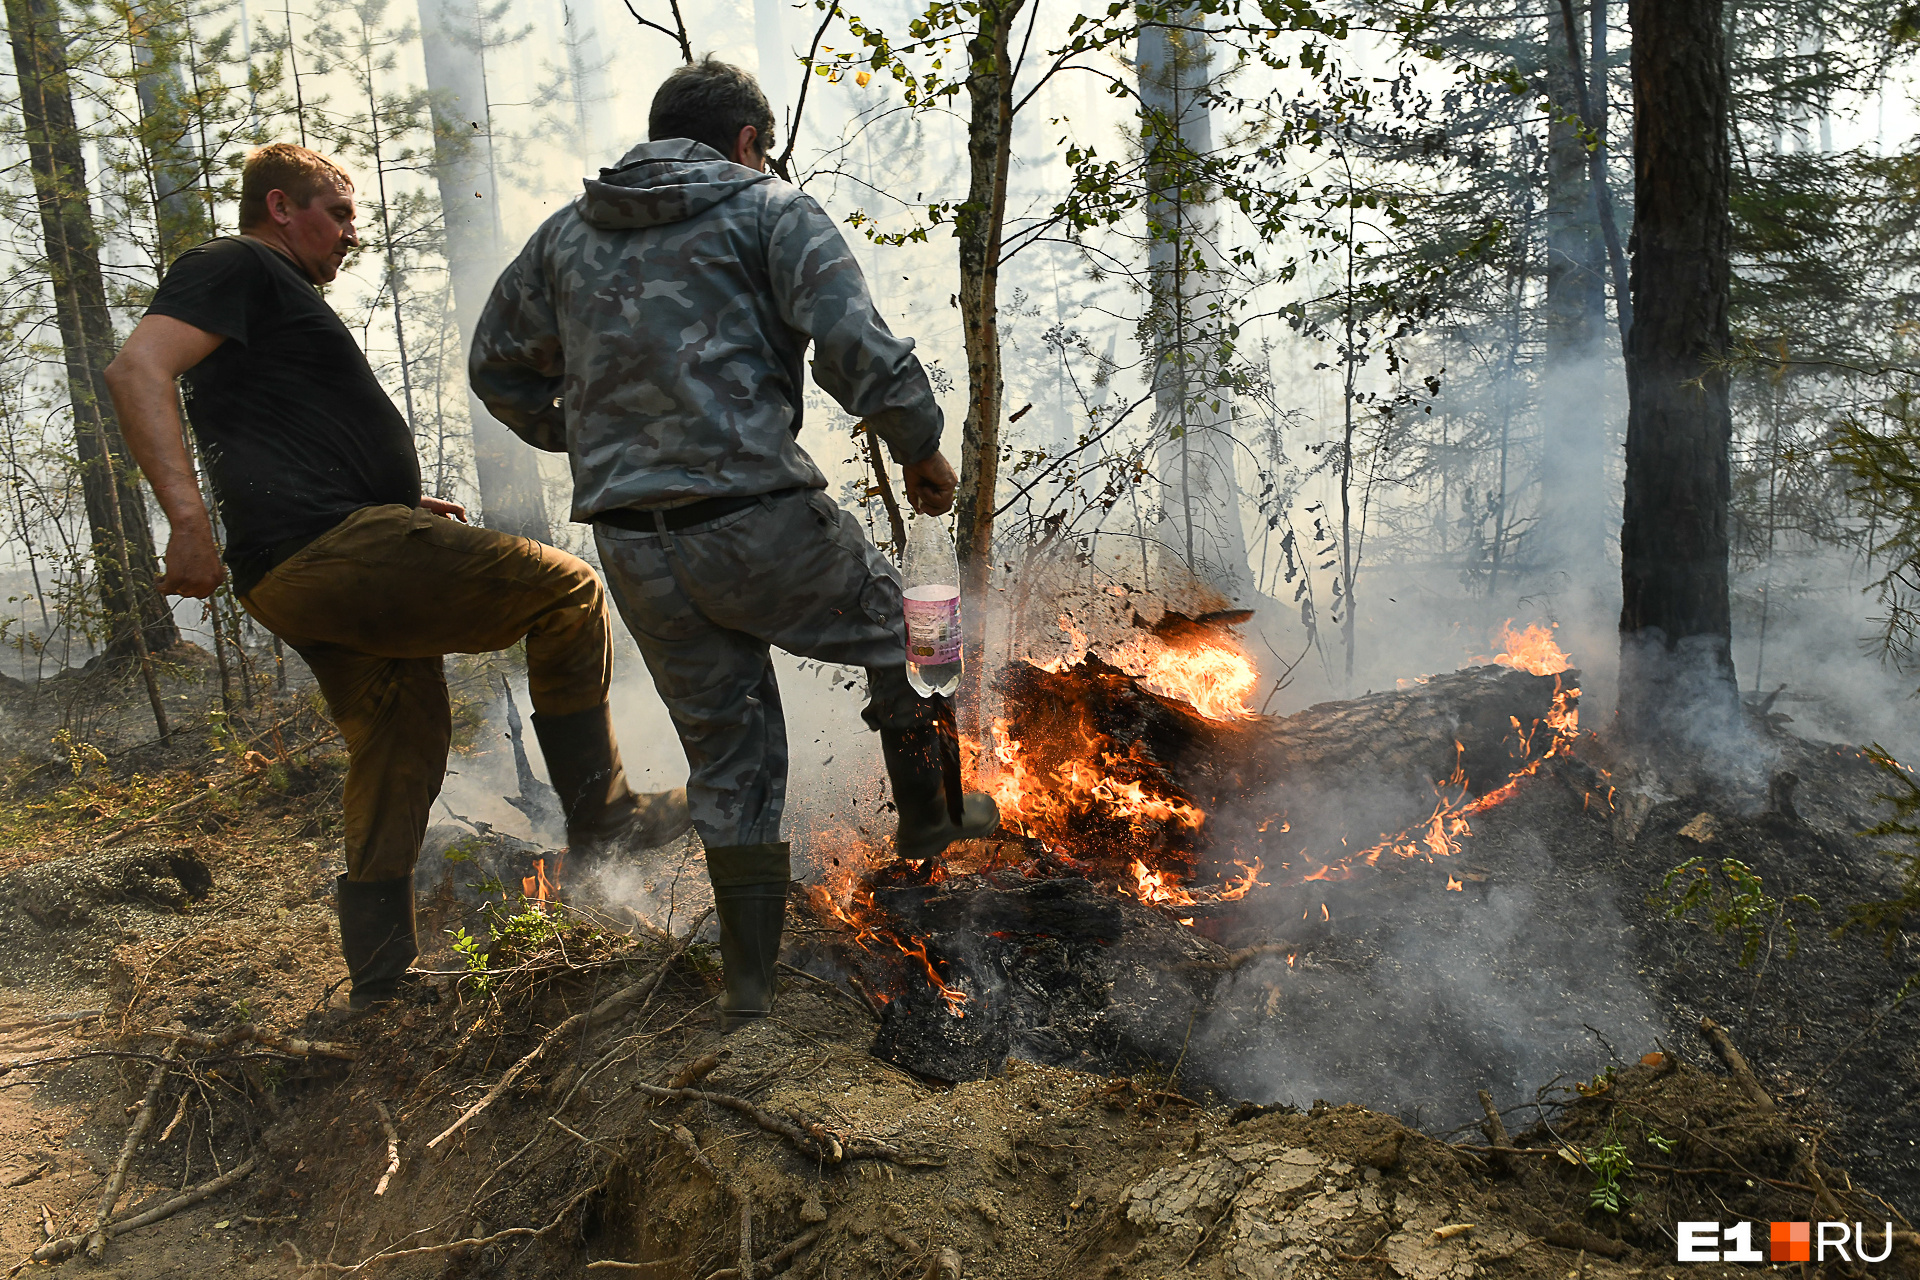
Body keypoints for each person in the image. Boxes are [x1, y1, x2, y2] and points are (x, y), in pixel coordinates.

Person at [471, 59, 999, 1028]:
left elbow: (495, 368)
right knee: (921, 621)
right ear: (750, 140)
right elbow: (854, 345)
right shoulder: (769, 210)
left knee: (731, 757)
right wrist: (921, 445)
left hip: (633, 546)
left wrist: (592, 435)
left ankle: (750, 983)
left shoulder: (564, 238)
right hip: (754, 519)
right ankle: (933, 814)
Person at [104, 143, 689, 1011]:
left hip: (309, 559)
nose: (350, 233)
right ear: (279, 207)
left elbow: (277, 425)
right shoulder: (233, 266)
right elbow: (135, 368)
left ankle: (380, 976)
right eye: (336, 213)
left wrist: (395, 497)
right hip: (330, 549)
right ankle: (604, 817)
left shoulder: (279, 299)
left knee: (402, 741)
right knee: (566, 591)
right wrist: (187, 523)